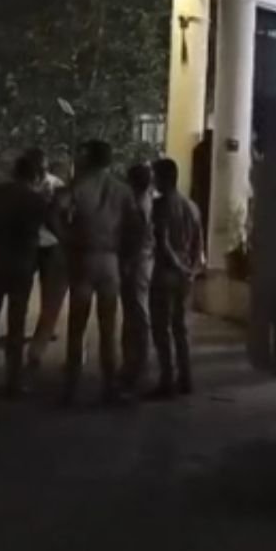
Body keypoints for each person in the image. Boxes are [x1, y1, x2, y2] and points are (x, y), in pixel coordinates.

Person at [59, 140, 141, 405]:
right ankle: (109, 385)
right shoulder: (122, 189)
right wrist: (128, 257)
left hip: (83, 257)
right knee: (108, 327)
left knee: (77, 325)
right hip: (110, 259)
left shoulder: (79, 186)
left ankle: (71, 386)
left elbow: (54, 210)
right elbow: (136, 226)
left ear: (89, 158)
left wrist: (66, 237)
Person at [0, 155, 47, 396]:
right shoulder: (35, 199)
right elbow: (38, 230)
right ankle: (13, 381)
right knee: (16, 324)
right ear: (35, 175)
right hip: (21, 265)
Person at [149, 158, 203, 398]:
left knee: (161, 328)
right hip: (186, 273)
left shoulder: (160, 206)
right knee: (181, 327)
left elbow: (162, 242)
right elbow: (199, 242)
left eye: (155, 176)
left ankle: (167, 380)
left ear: (163, 178)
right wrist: (192, 268)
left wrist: (178, 266)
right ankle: (185, 378)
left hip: (166, 272)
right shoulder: (192, 206)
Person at [26, 149, 67, 369]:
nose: (39, 168)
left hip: (50, 242)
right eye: (35, 164)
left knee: (49, 288)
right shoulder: (25, 185)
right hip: (30, 242)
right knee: (23, 286)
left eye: (42, 164)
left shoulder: (56, 184)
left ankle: (47, 328)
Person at [119, 162, 154, 394]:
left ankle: (137, 365)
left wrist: (128, 262)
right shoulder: (146, 201)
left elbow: (137, 237)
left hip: (137, 263)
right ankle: (132, 363)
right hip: (142, 261)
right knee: (134, 313)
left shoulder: (138, 205)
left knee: (136, 314)